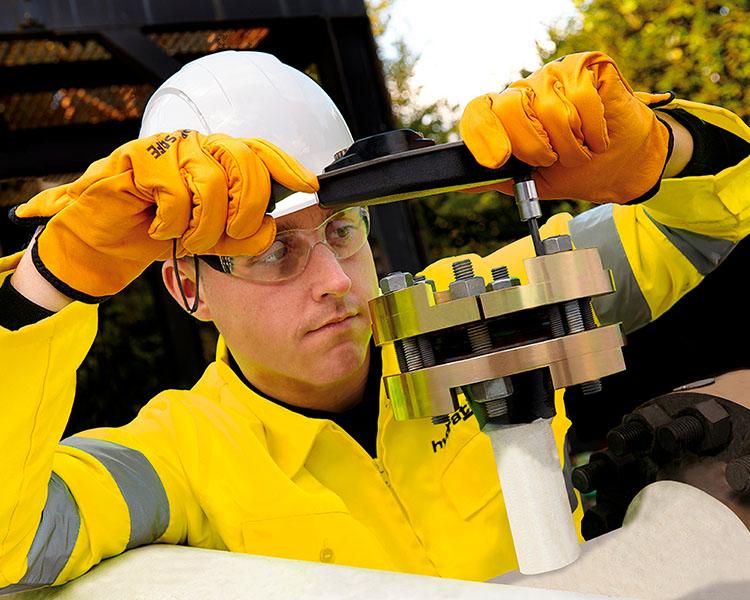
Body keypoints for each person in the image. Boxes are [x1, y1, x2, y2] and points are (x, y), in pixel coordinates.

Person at [1, 49, 748, 591]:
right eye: (270, 252)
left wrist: (662, 150)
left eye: (342, 231)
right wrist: (44, 282)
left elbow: (707, 229)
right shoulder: (175, 460)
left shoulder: (487, 307)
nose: (334, 283)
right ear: (185, 287)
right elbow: (15, 543)